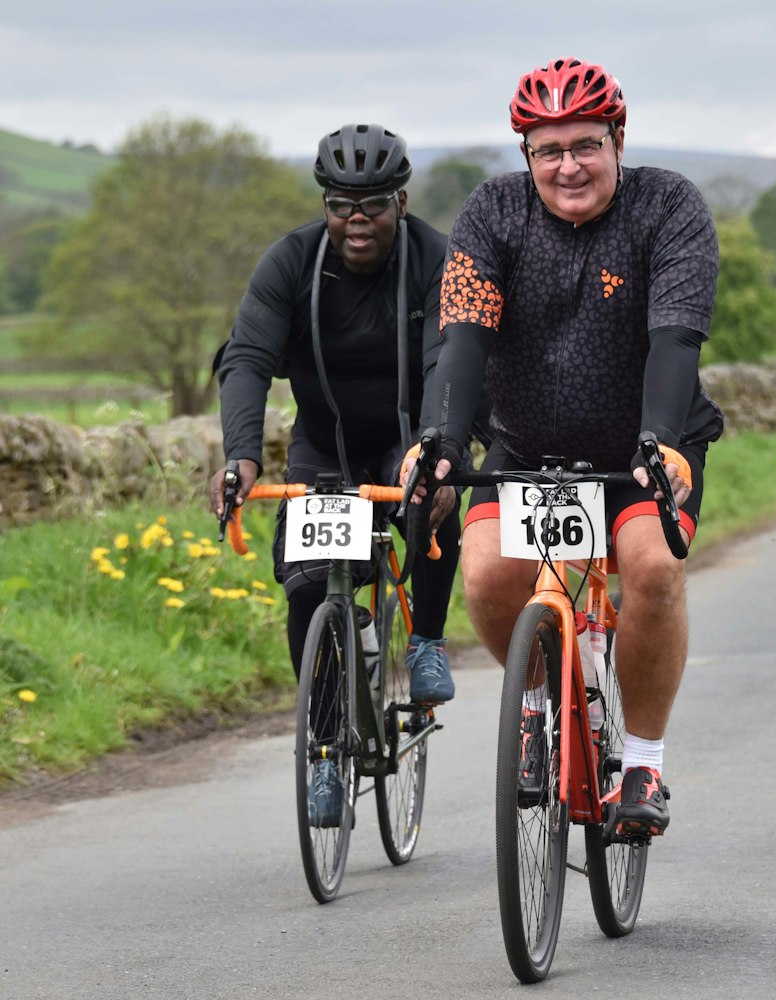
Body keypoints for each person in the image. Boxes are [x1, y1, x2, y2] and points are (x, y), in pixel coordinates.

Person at [405, 57, 724, 840]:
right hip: (525, 448)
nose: (568, 166)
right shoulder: (493, 214)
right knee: (485, 576)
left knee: (652, 568)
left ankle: (643, 763)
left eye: (585, 145)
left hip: (643, 445)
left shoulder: (668, 207)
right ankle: (539, 709)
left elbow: (674, 341)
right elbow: (463, 338)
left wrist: (664, 442)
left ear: (618, 139)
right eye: (548, 151)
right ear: (526, 157)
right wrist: (443, 436)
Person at [210, 125, 475, 825]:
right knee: (306, 588)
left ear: (401, 200)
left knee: (432, 497)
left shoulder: (433, 259)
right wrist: (240, 454)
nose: (357, 220)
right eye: (340, 205)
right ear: (325, 205)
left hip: (411, 431)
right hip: (323, 444)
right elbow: (245, 361)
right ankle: (324, 753)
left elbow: (447, 362)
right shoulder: (291, 262)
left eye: (374, 206)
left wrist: (437, 448)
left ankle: (425, 641)